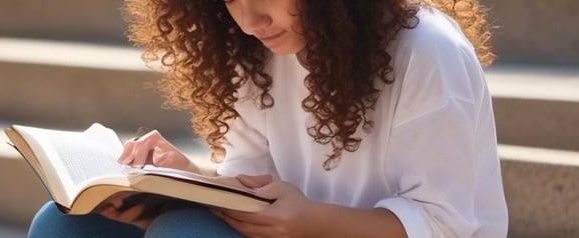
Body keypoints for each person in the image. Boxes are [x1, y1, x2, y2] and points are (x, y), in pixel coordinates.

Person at [28, 0, 507, 237]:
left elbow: (443, 224)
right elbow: (253, 183)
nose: (248, 20)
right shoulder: (258, 50)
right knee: (65, 225)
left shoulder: (427, 51)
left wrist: (311, 219)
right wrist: (182, 181)